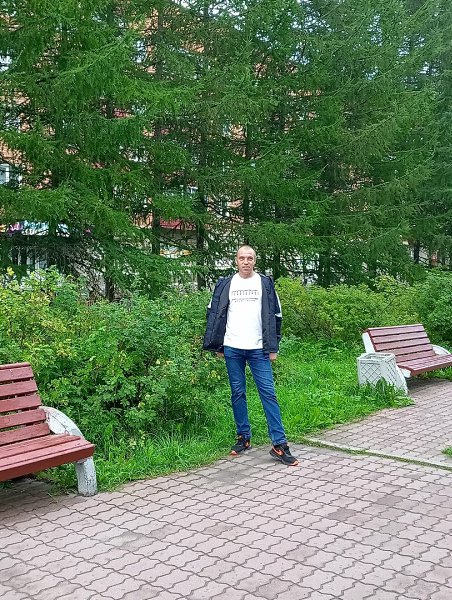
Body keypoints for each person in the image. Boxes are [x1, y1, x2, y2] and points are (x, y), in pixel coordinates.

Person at [203, 245, 298, 466]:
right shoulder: (225, 284)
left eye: (250, 258)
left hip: (259, 349)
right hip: (232, 347)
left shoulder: (265, 284)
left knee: (268, 394)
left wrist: (273, 348)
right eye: (242, 258)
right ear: (236, 260)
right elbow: (214, 314)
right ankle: (243, 438)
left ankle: (279, 444)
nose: (246, 262)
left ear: (255, 261)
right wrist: (218, 345)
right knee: (237, 392)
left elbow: (276, 316)